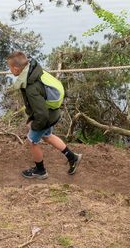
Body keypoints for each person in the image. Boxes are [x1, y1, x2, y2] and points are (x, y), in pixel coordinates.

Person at [7, 51, 81, 179]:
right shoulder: (35, 70)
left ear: (16, 68)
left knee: (32, 141)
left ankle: (40, 171)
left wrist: (34, 125)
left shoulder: (31, 86)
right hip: (52, 111)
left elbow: (41, 114)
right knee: (47, 136)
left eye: (9, 68)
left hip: (46, 116)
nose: (9, 70)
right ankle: (73, 157)